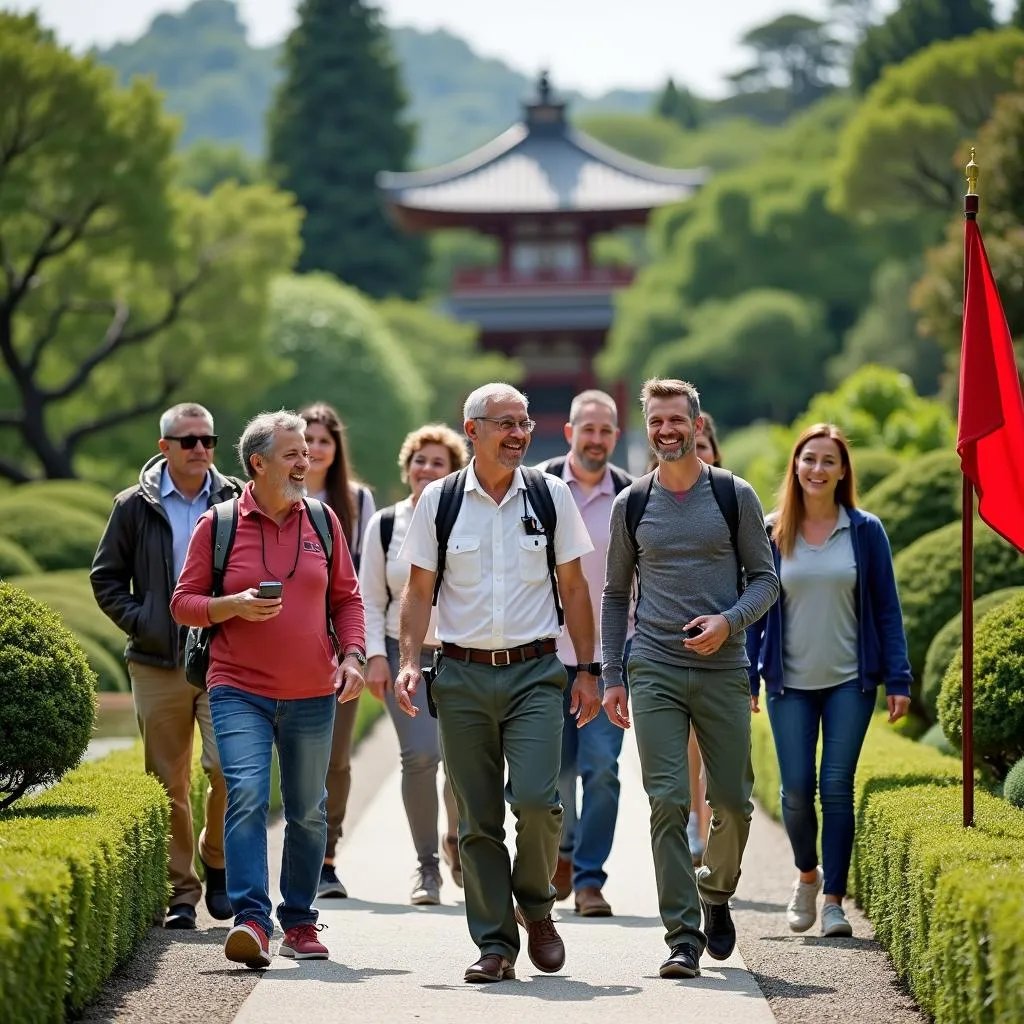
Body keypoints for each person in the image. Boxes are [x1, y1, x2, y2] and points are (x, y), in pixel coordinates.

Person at [394, 383, 600, 985]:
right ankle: (494, 944)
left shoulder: (550, 493)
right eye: (504, 423)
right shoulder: (440, 500)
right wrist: (410, 660)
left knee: (538, 802)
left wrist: (587, 670)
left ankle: (535, 909)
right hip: (459, 675)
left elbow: (575, 588)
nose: (517, 434)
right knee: (477, 820)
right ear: (472, 429)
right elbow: (419, 591)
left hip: (537, 673)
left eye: (524, 423)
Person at [170, 411, 366, 969]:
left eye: (306, 452)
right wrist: (230, 606)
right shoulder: (220, 524)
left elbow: (347, 601)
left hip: (311, 693)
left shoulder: (324, 523)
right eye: (292, 454)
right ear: (258, 463)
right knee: (247, 793)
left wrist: (352, 657)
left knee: (307, 810)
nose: (304, 462)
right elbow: (183, 602)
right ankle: (252, 920)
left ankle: (299, 921)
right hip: (238, 689)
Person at [601, 378, 779, 980]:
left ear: (697, 426)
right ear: (646, 427)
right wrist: (613, 674)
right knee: (668, 801)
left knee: (732, 799)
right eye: (656, 421)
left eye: (676, 420)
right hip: (652, 665)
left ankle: (716, 891)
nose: (666, 431)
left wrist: (728, 624)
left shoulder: (734, 496)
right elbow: (615, 593)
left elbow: (766, 581)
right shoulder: (634, 503)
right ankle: (682, 937)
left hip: (723, 668)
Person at [745, 424, 911, 939]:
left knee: (836, 787)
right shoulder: (772, 532)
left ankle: (834, 902)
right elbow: (754, 609)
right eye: (809, 459)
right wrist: (748, 675)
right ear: (796, 466)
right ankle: (807, 875)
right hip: (788, 683)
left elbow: (887, 609)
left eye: (828, 461)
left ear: (842, 472)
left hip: (849, 683)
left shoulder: (865, 531)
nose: (817, 469)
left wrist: (899, 677)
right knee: (796, 790)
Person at [91, 402, 240, 930]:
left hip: (225, 657)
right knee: (168, 782)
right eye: (188, 440)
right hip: (157, 661)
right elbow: (105, 578)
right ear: (165, 448)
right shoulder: (132, 506)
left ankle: (216, 857)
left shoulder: (236, 499)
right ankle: (182, 892)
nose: (200, 448)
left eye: (208, 440)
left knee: (229, 769)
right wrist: (146, 621)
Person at [358, 424, 467, 905]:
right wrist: (376, 658)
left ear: (454, 472)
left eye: (437, 463)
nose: (426, 470)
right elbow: (367, 597)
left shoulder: (468, 519)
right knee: (421, 757)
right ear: (406, 469)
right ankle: (427, 868)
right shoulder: (384, 524)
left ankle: (459, 844)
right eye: (419, 461)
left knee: (465, 765)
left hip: (463, 657)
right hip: (406, 658)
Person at [536, 390, 633, 917]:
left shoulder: (630, 495)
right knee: (552, 773)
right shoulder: (540, 488)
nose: (596, 439)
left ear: (615, 437)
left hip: (610, 658)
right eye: (587, 429)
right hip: (545, 655)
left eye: (605, 430)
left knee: (602, 769)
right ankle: (561, 855)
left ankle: (590, 877)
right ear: (570, 432)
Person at [297, 402, 376, 900]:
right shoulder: (278, 495)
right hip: (291, 642)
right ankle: (297, 855)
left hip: (339, 645)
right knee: (297, 755)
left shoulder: (356, 501)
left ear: (335, 447)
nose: (315, 449)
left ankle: (327, 857)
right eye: (307, 440)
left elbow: (362, 580)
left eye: (324, 440)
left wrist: (358, 648)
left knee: (337, 758)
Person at [688, 411, 721, 865]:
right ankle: (696, 827)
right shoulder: (643, 502)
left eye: (705, 446)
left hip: (723, 647)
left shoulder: (732, 501)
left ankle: (714, 832)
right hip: (670, 648)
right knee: (687, 751)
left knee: (717, 754)